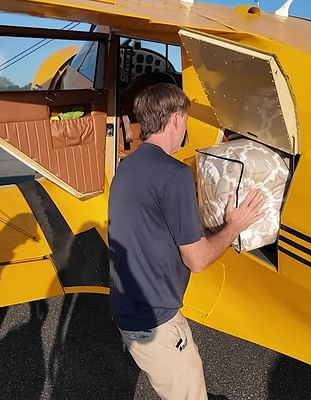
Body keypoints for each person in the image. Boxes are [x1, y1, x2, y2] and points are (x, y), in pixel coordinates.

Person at [108, 83, 264, 399]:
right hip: (157, 320)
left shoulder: (127, 168)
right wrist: (234, 227)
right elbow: (197, 259)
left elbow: (161, 231)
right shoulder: (174, 174)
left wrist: (215, 227)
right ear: (177, 119)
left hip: (130, 311)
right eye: (187, 122)